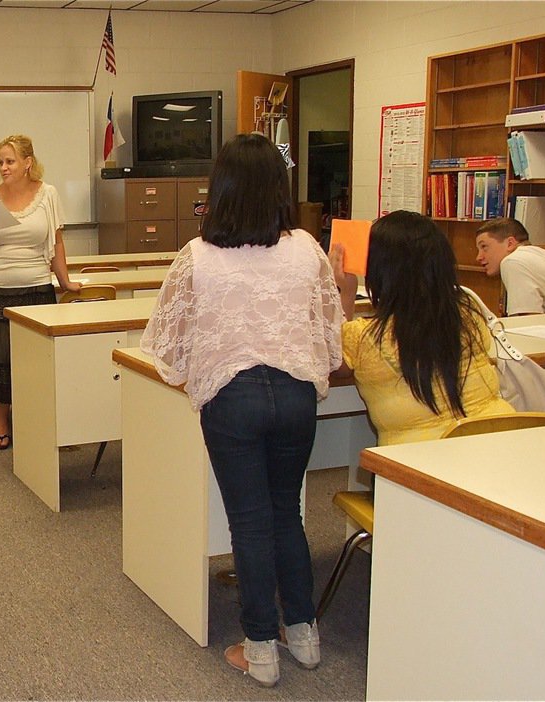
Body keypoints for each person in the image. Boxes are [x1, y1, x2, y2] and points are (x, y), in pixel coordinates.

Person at [141, 133, 341, 687]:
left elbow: (167, 350)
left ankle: (258, 649)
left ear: (221, 190)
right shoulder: (307, 248)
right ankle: (303, 636)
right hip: (297, 395)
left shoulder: (196, 257)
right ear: (280, 188)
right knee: (287, 517)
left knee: (249, 525)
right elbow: (330, 337)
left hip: (233, 400)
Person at [330, 210, 516, 446]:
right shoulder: (469, 312)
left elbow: (335, 363)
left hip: (423, 465)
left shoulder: (364, 337)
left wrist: (343, 293)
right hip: (499, 443)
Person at [0, 134, 80, 450]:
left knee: (36, 361)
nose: (3, 167)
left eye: (10, 161)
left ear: (28, 163)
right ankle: (2, 425)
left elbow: (55, 242)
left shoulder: (48, 194)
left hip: (35, 286)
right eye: (0, 161)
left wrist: (65, 282)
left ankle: (37, 422)